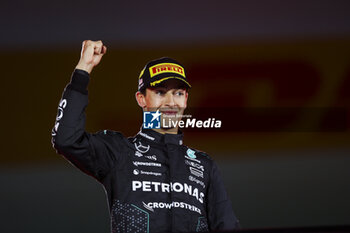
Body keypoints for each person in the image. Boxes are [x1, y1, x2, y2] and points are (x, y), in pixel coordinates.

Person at [51, 40, 240, 232]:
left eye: (178, 93)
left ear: (186, 99)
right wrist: (84, 69)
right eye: (160, 92)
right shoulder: (120, 152)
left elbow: (227, 226)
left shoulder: (204, 165)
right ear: (141, 99)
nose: (170, 102)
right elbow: (66, 140)